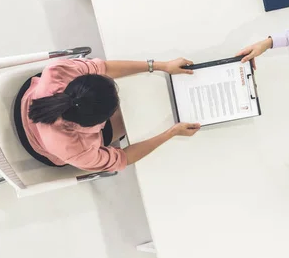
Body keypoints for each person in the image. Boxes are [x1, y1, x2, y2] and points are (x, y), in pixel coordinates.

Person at [16, 57, 201, 172]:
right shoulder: (79, 150)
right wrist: (170, 133)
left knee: (137, 92)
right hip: (39, 146)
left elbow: (103, 67)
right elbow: (124, 157)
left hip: (29, 100)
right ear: (97, 124)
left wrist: (162, 65)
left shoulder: (57, 71)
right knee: (136, 121)